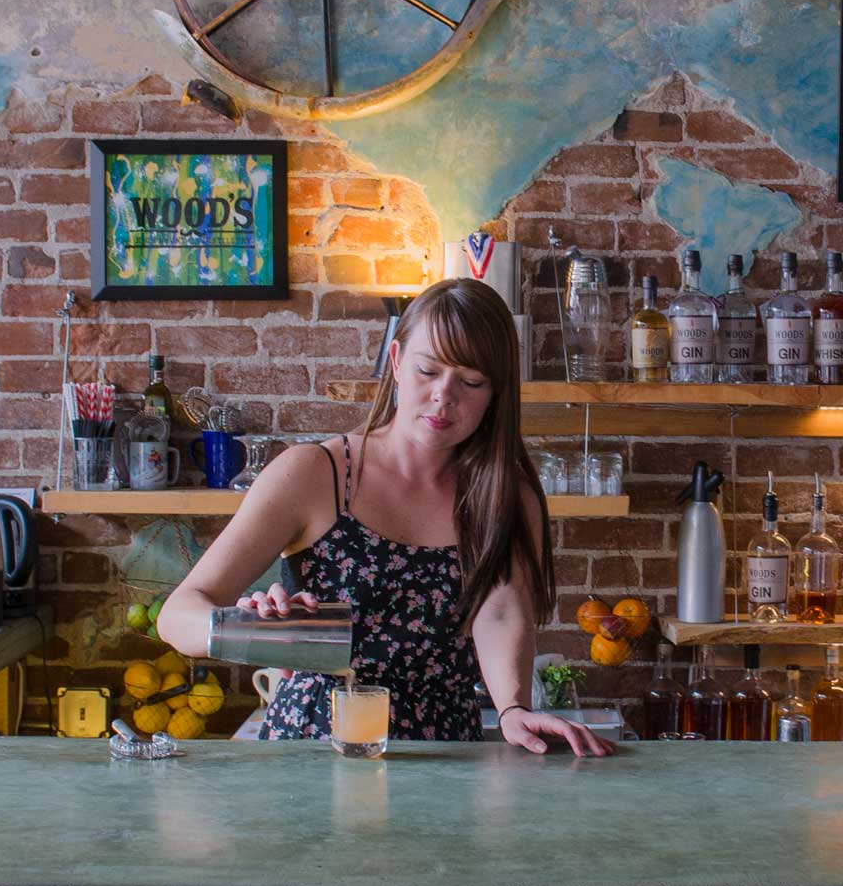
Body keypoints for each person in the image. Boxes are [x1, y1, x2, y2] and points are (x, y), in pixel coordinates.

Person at [158, 278, 612, 757]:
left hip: (442, 749)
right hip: (316, 744)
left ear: (496, 393)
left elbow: (499, 612)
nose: (444, 395)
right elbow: (177, 616)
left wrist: (513, 709)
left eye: (471, 381)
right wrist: (252, 631)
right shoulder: (314, 473)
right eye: (427, 370)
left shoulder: (504, 495)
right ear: (395, 361)